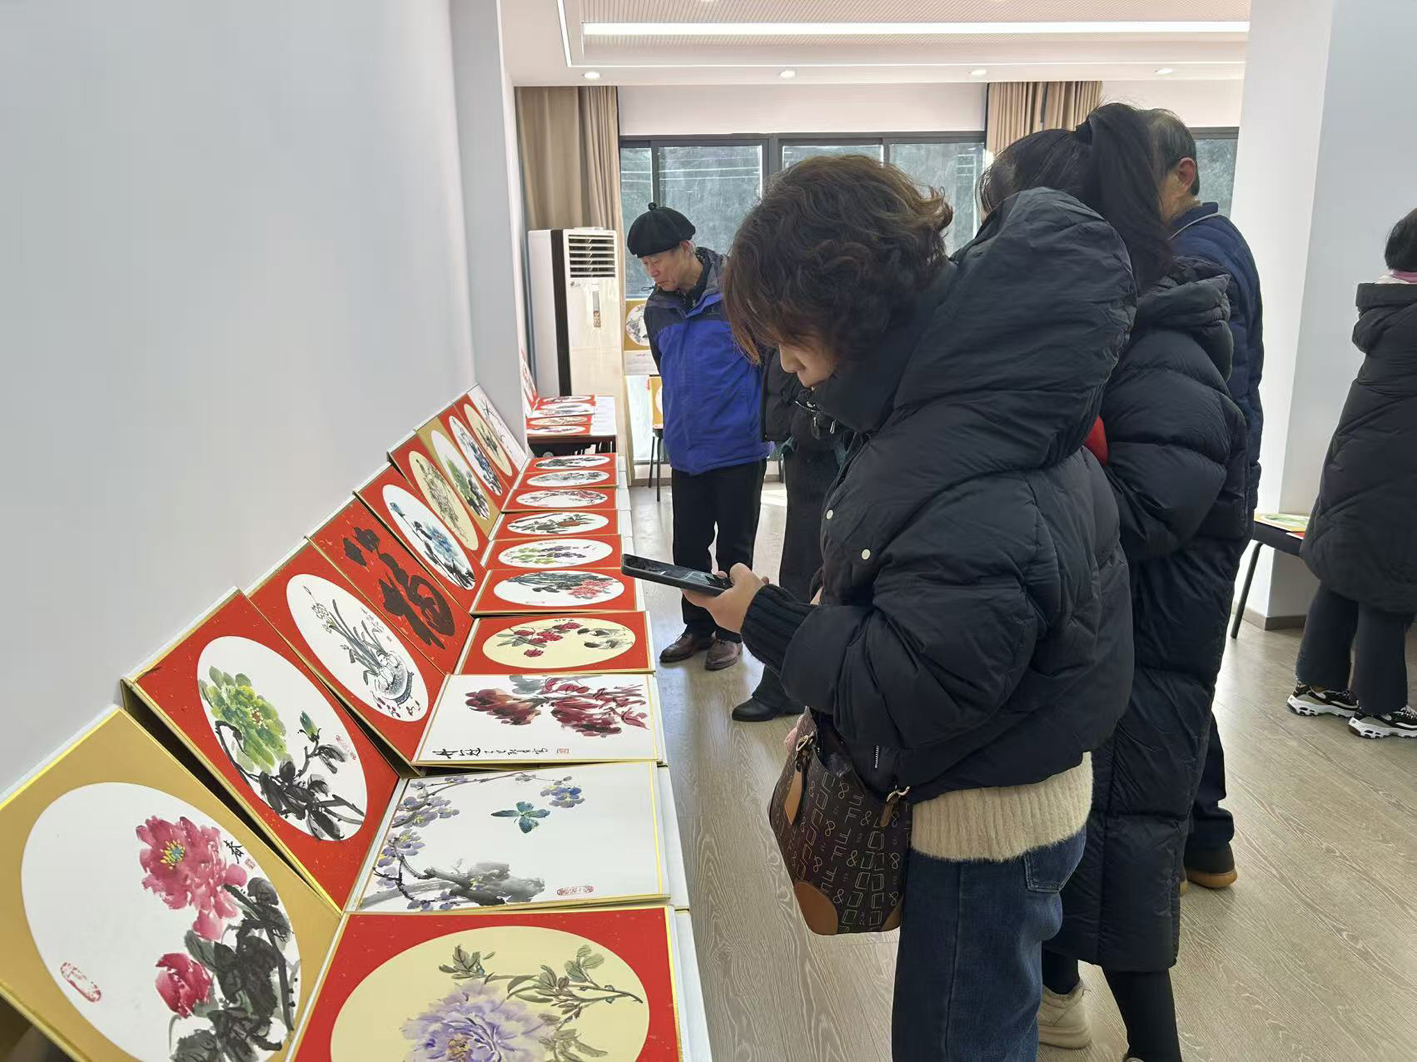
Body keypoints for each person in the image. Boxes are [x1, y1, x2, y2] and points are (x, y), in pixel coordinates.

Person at [690, 154, 1137, 1061]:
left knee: (957, 1039)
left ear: (840, 312)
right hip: (1011, 770)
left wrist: (769, 621)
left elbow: (920, 683)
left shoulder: (967, 447)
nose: (787, 369)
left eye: (788, 342)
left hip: (986, 815)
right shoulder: (971, 388)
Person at [982, 104, 1250, 1062]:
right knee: (1053, 834)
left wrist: (1006, 482)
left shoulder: (1163, 337)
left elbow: (1149, 508)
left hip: (1141, 641)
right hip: (1080, 627)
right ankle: (1057, 1004)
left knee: (1125, 848)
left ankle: (1153, 1046)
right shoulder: (1080, 327)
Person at [1150, 108, 1266, 892]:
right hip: (1201, 493)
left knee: (1172, 677)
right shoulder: (1200, 245)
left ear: (1183, 173)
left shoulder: (1200, 256)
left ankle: (1201, 836)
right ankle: (1202, 839)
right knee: (1175, 675)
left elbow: (1200, 405)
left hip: (1196, 502)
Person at [1289, 208, 1417, 738]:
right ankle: (1379, 707)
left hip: (1357, 462)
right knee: (1391, 580)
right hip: (1398, 472)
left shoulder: (1391, 308)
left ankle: (1317, 686)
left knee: (1345, 574)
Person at [629, 203, 772, 673]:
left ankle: (731, 633)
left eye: (658, 261)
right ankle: (697, 627)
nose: (653, 272)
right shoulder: (657, 308)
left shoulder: (739, 292)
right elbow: (666, 366)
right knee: (687, 549)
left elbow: (768, 361)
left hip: (737, 447)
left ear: (686, 248)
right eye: (645, 264)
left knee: (735, 550)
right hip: (687, 449)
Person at [731, 353, 842, 722]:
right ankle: (787, 683)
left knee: (817, 567)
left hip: (827, 440)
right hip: (802, 438)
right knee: (799, 562)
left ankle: (789, 686)